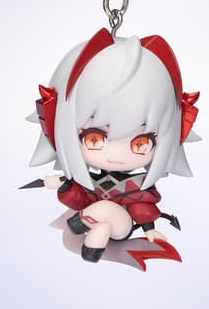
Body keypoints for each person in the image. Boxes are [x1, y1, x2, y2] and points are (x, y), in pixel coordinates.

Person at [27, 28, 199, 263]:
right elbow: (78, 195)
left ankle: (82, 224)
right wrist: (62, 184)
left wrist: (149, 230)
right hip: (100, 220)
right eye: (95, 139)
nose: (117, 154)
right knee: (102, 220)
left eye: (141, 142)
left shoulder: (136, 187)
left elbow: (141, 209)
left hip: (121, 224)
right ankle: (91, 246)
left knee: (106, 213)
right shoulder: (94, 183)